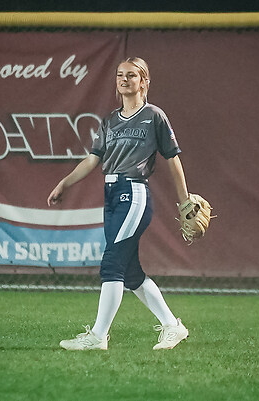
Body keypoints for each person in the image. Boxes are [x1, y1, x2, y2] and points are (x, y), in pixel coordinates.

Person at [47, 57, 190, 350]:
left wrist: (185, 200)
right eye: (120, 75)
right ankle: (173, 326)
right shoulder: (110, 120)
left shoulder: (154, 116)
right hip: (111, 195)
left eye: (132, 75)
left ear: (144, 81)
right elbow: (93, 160)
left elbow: (172, 159)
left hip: (134, 193)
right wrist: (64, 183)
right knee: (131, 273)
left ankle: (98, 336)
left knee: (112, 263)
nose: (124, 79)